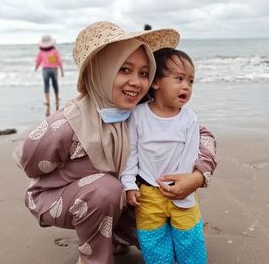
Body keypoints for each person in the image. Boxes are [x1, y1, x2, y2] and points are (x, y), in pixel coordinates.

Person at [15, 21, 216, 264]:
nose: (136, 82)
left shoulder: (142, 112)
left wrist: (196, 177)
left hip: (123, 197)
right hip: (58, 198)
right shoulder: (68, 125)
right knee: (106, 189)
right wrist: (77, 178)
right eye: (124, 70)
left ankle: (115, 233)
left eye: (143, 73)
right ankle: (93, 257)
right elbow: (31, 163)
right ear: (102, 70)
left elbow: (204, 136)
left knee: (158, 243)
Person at [120, 48, 206, 264]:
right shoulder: (138, 116)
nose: (186, 85)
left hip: (181, 192)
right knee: (153, 243)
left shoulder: (189, 119)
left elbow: (190, 156)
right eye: (179, 78)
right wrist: (129, 184)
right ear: (156, 82)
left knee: (189, 240)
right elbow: (131, 152)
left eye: (191, 81)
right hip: (148, 193)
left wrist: (186, 186)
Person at [35, 34, 65, 116]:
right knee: (55, 84)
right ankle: (57, 99)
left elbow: (38, 60)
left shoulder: (41, 51)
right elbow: (59, 60)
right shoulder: (55, 50)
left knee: (46, 85)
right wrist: (61, 69)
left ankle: (48, 102)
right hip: (54, 69)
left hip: (45, 70)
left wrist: (36, 67)